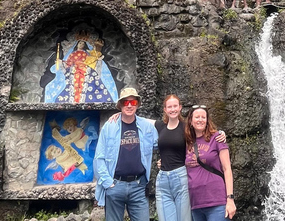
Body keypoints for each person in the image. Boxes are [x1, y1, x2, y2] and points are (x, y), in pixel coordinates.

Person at [107, 96, 227, 221]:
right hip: (163, 179)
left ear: (180, 107)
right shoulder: (160, 126)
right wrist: (120, 114)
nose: (173, 109)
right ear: (165, 109)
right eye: (169, 107)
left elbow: (202, 129)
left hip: (180, 177)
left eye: (175, 106)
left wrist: (221, 133)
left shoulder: (186, 127)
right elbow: (140, 120)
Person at [94, 87, 158, 221]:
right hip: (115, 185)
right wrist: (108, 183)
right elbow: (99, 158)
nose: (129, 105)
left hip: (139, 186)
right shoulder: (109, 127)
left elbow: (164, 140)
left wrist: (165, 160)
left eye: (133, 102)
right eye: (125, 102)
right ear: (120, 105)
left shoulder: (147, 126)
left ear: (137, 104)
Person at [185, 106, 236, 221]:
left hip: (217, 202)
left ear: (207, 121)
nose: (200, 120)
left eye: (203, 117)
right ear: (191, 121)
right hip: (195, 204)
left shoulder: (217, 138)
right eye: (197, 117)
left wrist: (230, 199)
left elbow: (227, 169)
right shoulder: (187, 142)